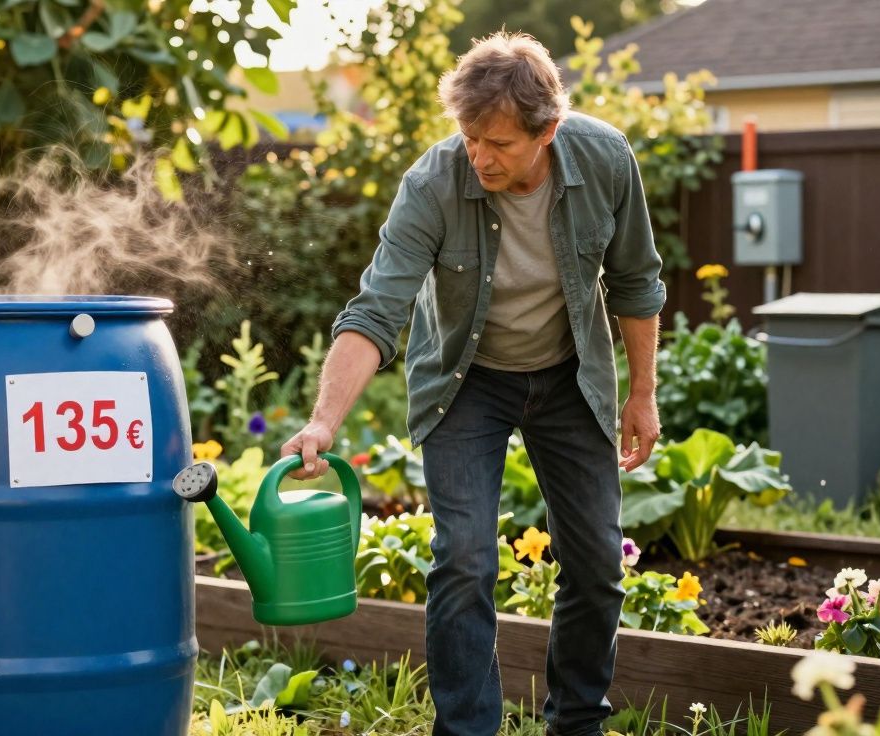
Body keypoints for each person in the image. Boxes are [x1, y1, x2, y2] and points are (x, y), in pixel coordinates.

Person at [280, 31, 664, 736]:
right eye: (468, 137)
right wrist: (324, 421)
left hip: (570, 374)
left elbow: (637, 281)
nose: (479, 157)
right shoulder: (433, 183)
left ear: (547, 131)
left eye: (499, 144)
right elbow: (376, 310)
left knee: (597, 562)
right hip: (468, 383)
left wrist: (642, 393)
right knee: (462, 559)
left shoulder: (606, 159)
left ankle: (577, 721)